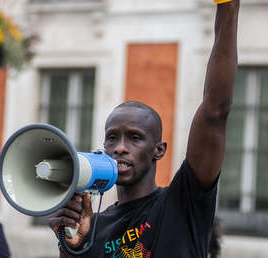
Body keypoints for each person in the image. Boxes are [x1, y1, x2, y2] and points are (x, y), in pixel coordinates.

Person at [48, 0, 240, 257]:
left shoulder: (182, 204)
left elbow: (215, 112)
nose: (120, 148)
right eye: (112, 138)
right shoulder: (92, 227)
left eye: (135, 138)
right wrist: (69, 244)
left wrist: (227, 6)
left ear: (158, 150)